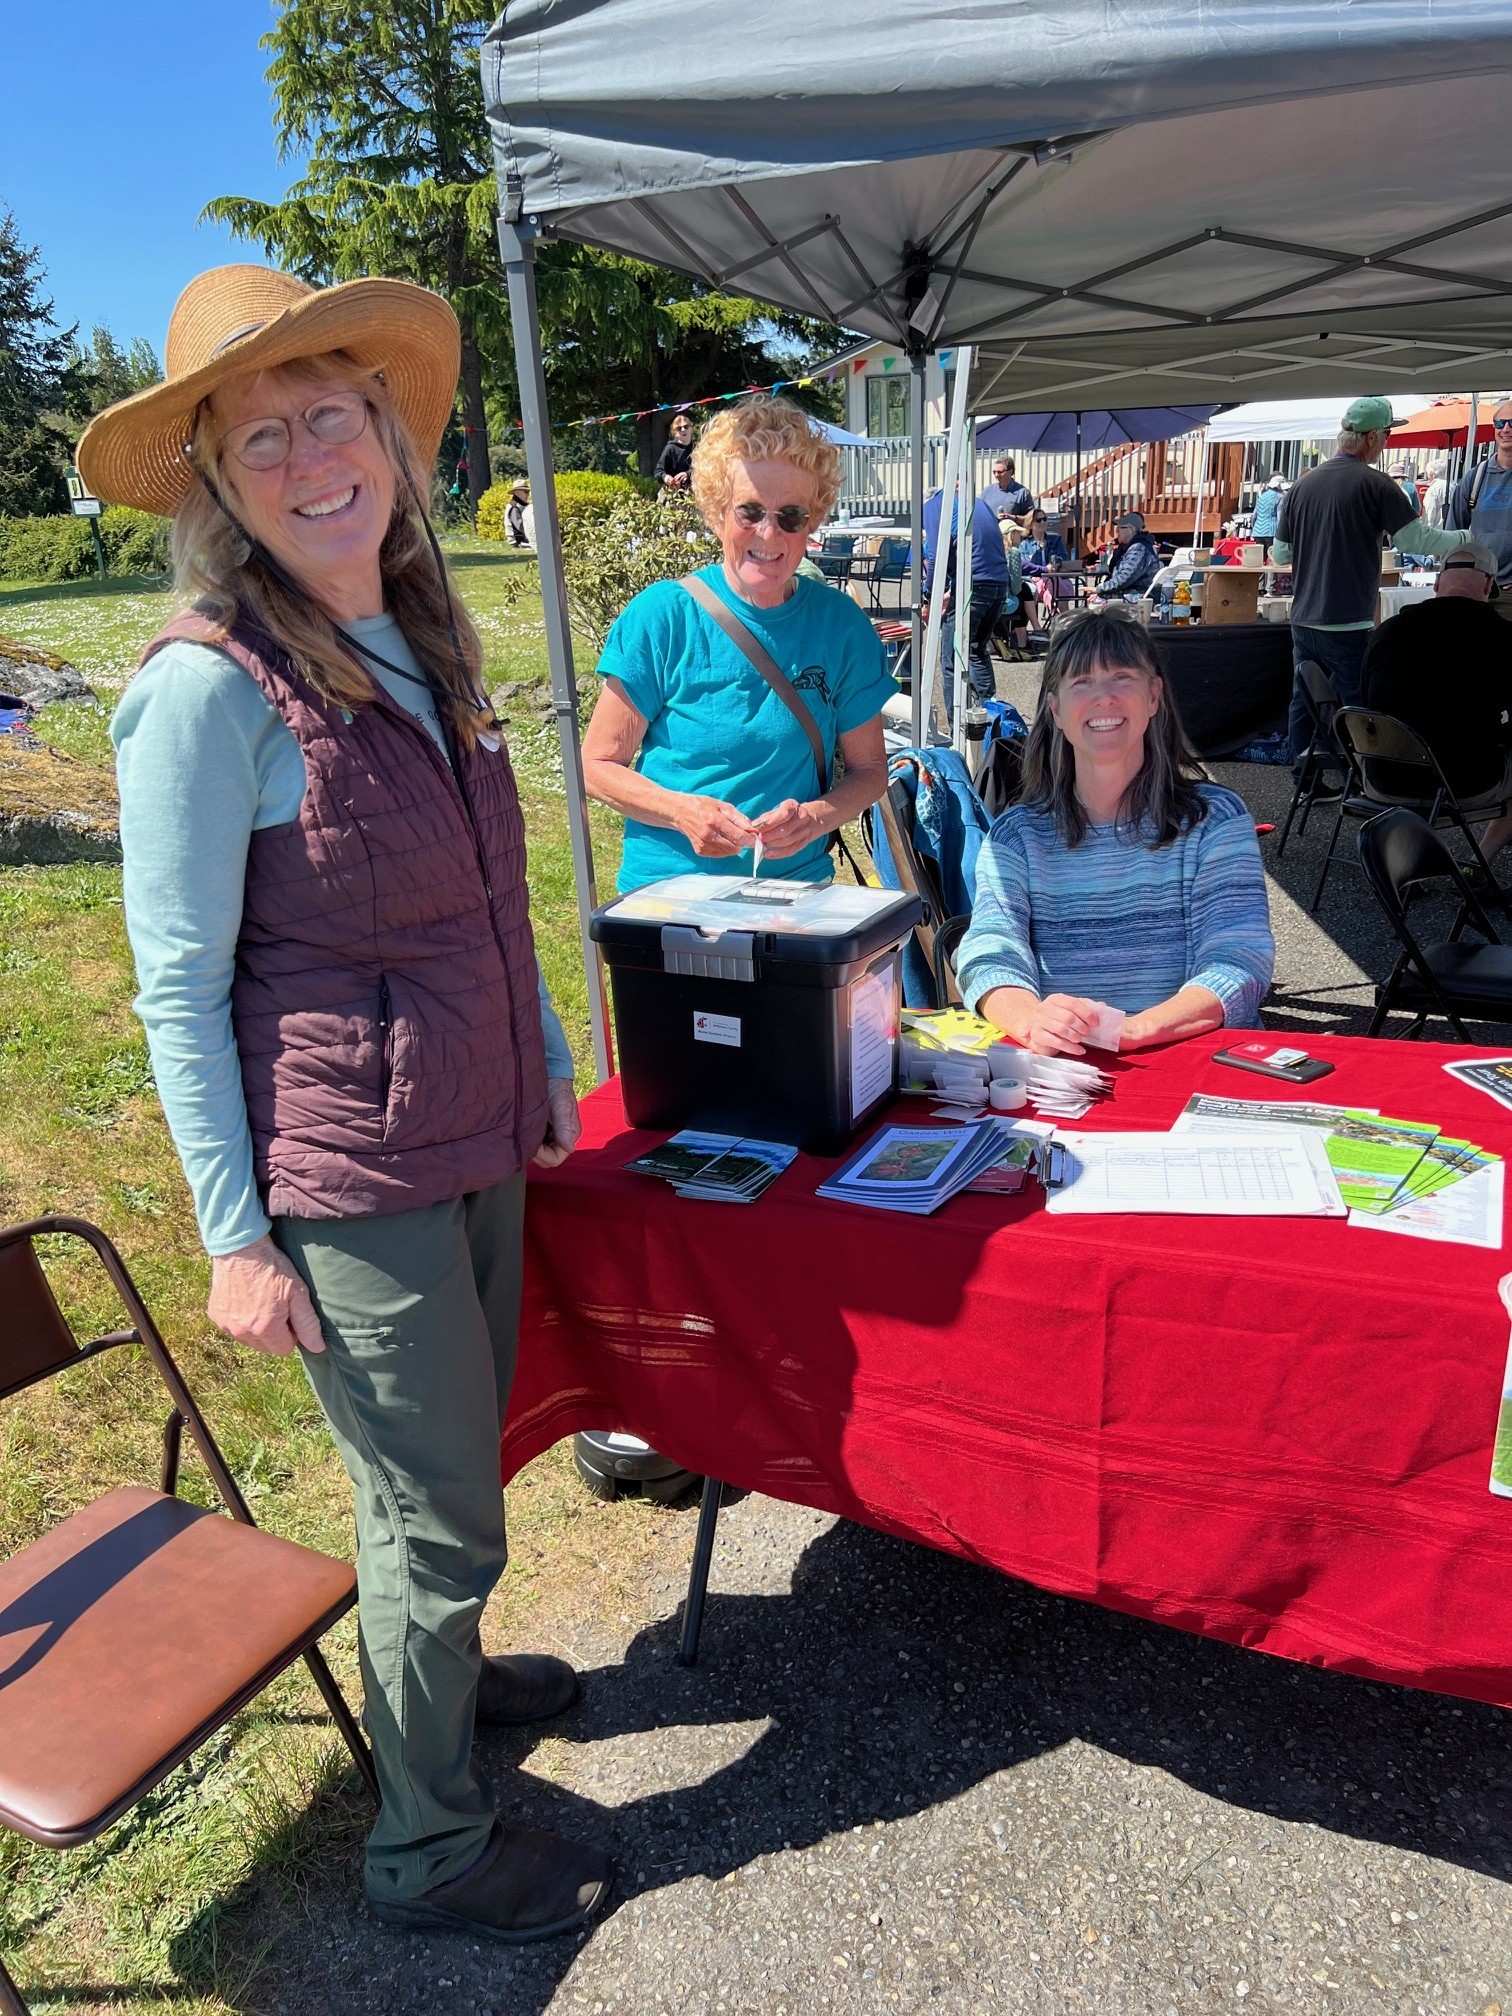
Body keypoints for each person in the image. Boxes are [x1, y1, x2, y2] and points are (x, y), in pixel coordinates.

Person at [78, 264, 613, 1944]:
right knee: (429, 1504)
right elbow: (176, 987)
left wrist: (537, 1050)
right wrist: (236, 1239)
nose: (313, 456)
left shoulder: (422, 626)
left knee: (452, 1484)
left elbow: (472, 885)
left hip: (470, 1122)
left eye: (335, 414)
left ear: (386, 433)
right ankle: (425, 1846)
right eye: (263, 435)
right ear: (220, 485)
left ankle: (436, 1696)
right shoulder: (204, 688)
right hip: (349, 1164)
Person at [580, 394, 892, 890]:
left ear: (812, 522)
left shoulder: (841, 625)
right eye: (749, 511)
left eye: (791, 515)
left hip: (792, 893)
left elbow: (870, 770)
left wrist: (814, 818)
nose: (768, 534)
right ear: (717, 512)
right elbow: (596, 765)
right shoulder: (663, 616)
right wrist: (682, 812)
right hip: (668, 897)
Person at [956, 608, 1275, 1055]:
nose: (1103, 697)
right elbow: (990, 952)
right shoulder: (1016, 837)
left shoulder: (1215, 820)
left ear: (1154, 697)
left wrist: (1133, 1030)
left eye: (1122, 677)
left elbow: (1240, 959)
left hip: (1195, 1061)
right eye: (1082, 682)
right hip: (1069, 1069)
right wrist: (1031, 1022)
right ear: (1056, 710)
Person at [1273, 397, 1471, 760]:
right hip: (1348, 619)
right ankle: (1367, 778)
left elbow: (1281, 554)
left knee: (1303, 699)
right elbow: (1416, 540)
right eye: (1386, 435)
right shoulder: (1376, 484)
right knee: (1359, 705)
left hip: (1303, 617)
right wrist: (1464, 538)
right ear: (1372, 438)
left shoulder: (1301, 485)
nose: (1387, 443)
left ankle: (1303, 777)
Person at [1361, 540, 1512, 851]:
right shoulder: (1502, 638)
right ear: (1488, 586)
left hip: (1383, 778)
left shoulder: (1386, 632)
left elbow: (1364, 703)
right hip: (1463, 783)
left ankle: (1404, 854)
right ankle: (1480, 863)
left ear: (1437, 583)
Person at [922, 483, 1012, 711]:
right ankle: (988, 714)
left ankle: (957, 727)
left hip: (974, 587)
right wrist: (950, 592)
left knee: (951, 659)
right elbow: (979, 553)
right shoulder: (977, 503)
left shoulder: (933, 507)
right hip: (999, 584)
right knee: (975, 649)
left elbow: (934, 557)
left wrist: (928, 596)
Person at [1446, 397, 1512, 594]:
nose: (1506, 429)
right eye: (1500, 423)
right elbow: (1452, 535)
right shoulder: (1475, 477)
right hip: (1478, 589)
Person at [1090, 510, 1162, 600]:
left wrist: (1099, 589)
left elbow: (1125, 578)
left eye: (1120, 527)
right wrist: (1097, 569)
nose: (1116, 531)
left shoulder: (1139, 548)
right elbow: (1116, 569)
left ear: (1131, 530)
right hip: (1129, 591)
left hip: (1137, 595)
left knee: (1096, 600)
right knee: (1095, 598)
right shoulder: (1127, 546)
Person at [979, 454, 1035, 526]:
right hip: (991, 535)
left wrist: (1013, 518)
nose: (996, 475)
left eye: (1000, 472)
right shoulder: (987, 491)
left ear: (1010, 472)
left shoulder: (1022, 493)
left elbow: (1032, 518)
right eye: (994, 472)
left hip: (1012, 535)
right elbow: (978, 513)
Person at [655, 410, 696, 491]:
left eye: (686, 426)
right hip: (674, 493)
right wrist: (665, 477)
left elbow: (705, 470)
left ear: (691, 428)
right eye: (679, 428)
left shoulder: (699, 447)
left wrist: (687, 474)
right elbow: (658, 472)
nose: (683, 430)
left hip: (697, 491)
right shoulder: (670, 449)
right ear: (675, 433)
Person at [1250, 474, 1285, 548]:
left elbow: (1254, 515)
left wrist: (1254, 528)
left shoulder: (1262, 496)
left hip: (1258, 532)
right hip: (1272, 531)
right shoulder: (1280, 497)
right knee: (1272, 557)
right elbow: (1280, 517)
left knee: (1260, 557)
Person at [505, 475, 530, 547]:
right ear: (518, 493)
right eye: (525, 492)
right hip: (517, 542)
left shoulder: (520, 505)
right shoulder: (514, 508)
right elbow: (519, 529)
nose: (528, 494)